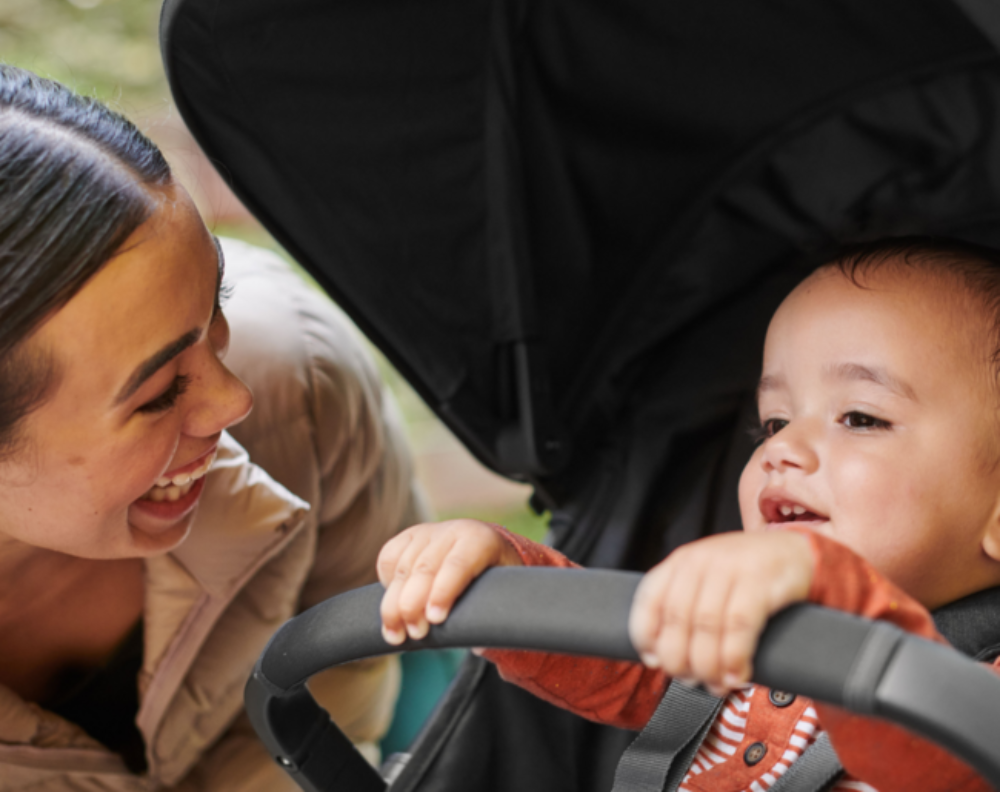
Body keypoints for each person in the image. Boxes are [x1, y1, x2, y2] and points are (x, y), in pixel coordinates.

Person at [377, 238, 1000, 792]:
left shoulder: (984, 691)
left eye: (861, 417)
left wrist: (842, 599)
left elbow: (950, 761)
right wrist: (509, 577)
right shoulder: (748, 630)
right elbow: (621, 657)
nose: (779, 448)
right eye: (774, 422)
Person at [0, 65, 427, 790]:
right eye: (162, 392)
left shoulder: (300, 379)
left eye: (215, 308)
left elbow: (347, 690)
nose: (234, 402)